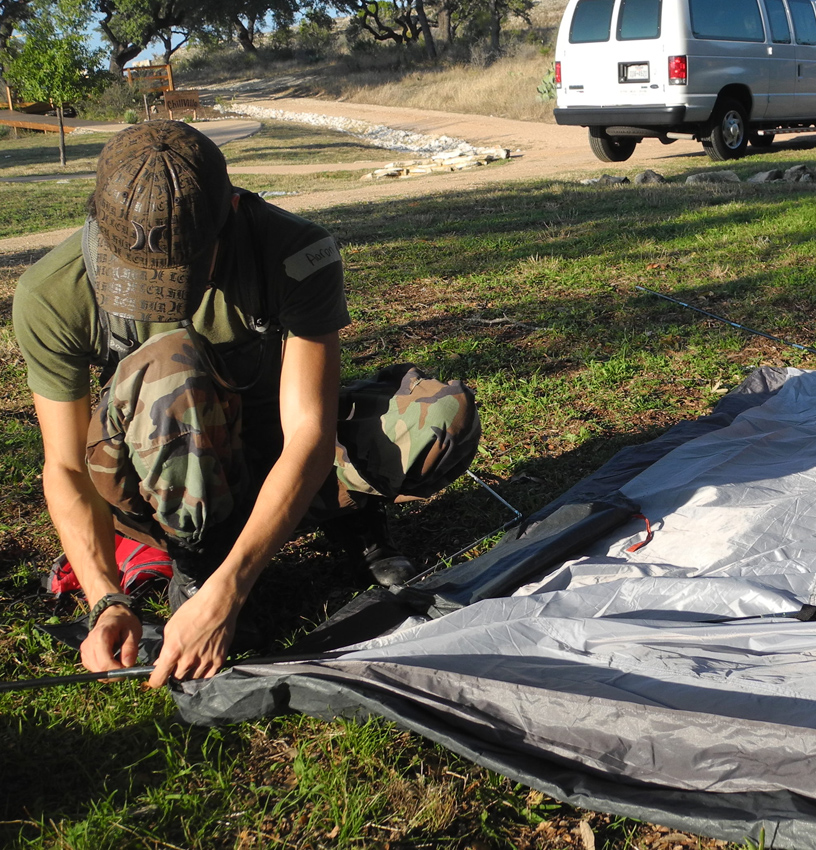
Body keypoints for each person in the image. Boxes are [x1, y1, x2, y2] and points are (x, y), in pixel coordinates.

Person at [14, 120, 481, 688]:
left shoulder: (295, 252)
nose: (153, 287)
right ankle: (196, 563)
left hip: (268, 449)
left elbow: (308, 434)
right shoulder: (50, 292)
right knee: (172, 367)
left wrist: (231, 592)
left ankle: (343, 519)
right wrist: (105, 600)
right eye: (132, 275)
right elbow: (65, 468)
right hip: (155, 473)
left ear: (230, 213)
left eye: (179, 274)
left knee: (438, 424)